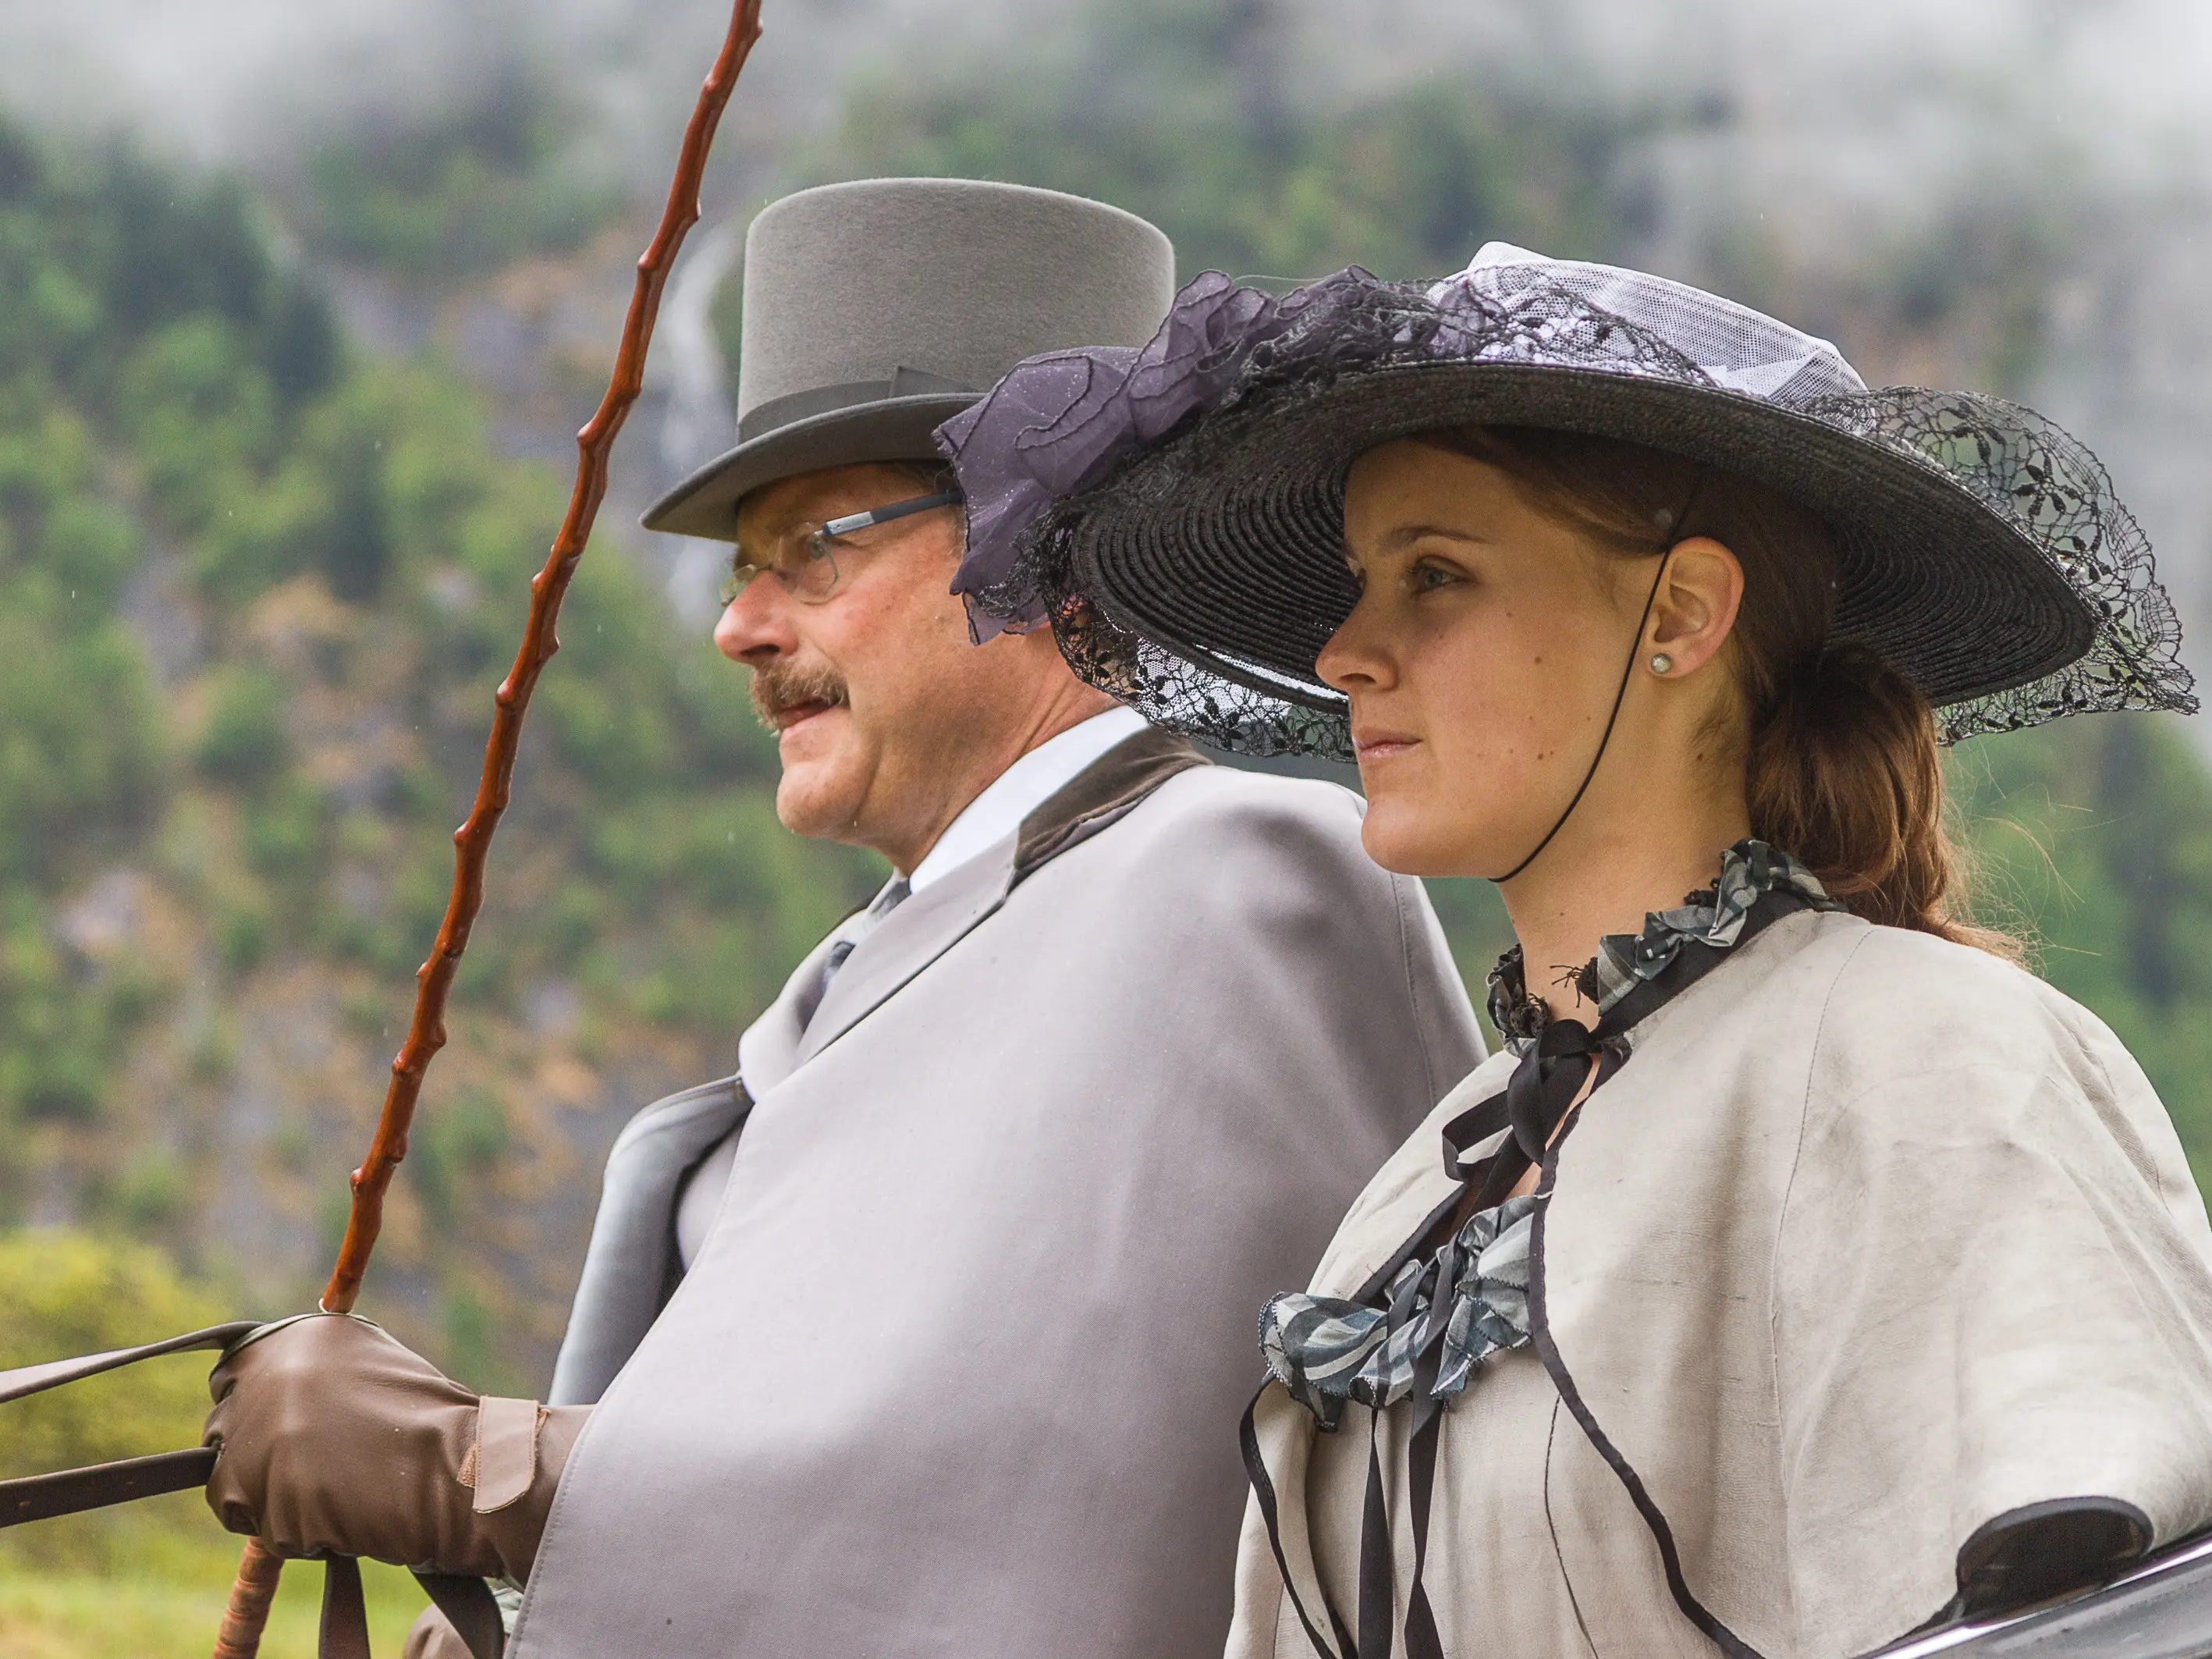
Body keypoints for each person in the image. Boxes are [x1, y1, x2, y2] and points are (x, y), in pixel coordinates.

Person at [198, 179, 1486, 1659]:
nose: (741, 623)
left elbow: (1049, 1502)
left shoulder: (1243, 875)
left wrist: (481, 1470)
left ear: (1045, 544)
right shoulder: (884, 963)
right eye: (748, 565)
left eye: (818, 544)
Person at [936, 243, 2212, 1657]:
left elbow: (2116, 1623)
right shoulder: (1417, 1192)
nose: (1347, 650)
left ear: (1678, 615)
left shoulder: (1934, 1058)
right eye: (1359, 586)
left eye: (1433, 575)